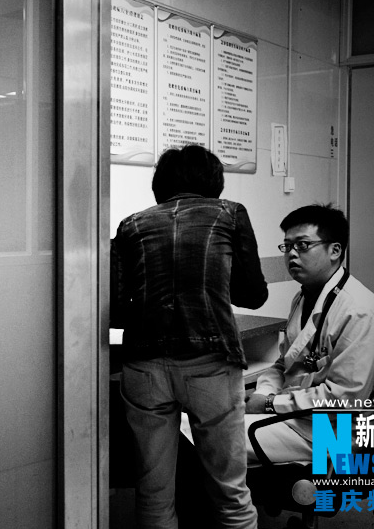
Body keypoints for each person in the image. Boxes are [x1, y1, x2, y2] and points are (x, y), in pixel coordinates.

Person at [112, 144, 268, 529]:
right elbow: (253, 294)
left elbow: (114, 309)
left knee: (153, 492)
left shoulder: (131, 225)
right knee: (229, 491)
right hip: (211, 362)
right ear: (214, 181)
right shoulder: (230, 213)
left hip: (144, 365)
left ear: (159, 184)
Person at [244, 204, 374, 465]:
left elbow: (344, 398)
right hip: (295, 417)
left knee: (208, 438)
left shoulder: (359, 311)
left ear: (335, 250)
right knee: (194, 423)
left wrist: (269, 404)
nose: (291, 254)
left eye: (302, 245)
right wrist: (262, 395)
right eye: (287, 246)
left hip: (331, 434)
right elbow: (284, 365)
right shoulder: (304, 296)